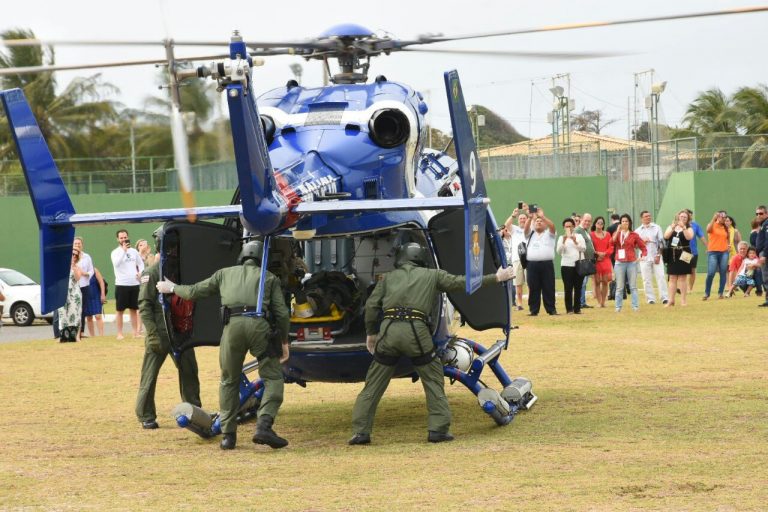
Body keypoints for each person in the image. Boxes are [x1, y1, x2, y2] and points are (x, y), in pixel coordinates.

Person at [348, 242, 515, 445]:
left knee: (373, 384)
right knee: (433, 379)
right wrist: (496, 277)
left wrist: (372, 334)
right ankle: (438, 430)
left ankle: (360, 432)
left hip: (389, 332)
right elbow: (462, 282)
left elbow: (372, 306)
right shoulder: (433, 275)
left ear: (400, 258)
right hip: (416, 333)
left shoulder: (387, 278)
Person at [157, 240, 290, 450]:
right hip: (259, 327)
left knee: (229, 381)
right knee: (272, 378)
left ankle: (228, 436)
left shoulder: (224, 273)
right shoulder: (269, 277)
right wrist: (283, 340)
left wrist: (171, 287)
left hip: (232, 328)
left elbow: (193, 292)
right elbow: (282, 313)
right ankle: (264, 425)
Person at [136, 232, 202, 430]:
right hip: (160, 332)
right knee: (149, 375)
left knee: (190, 372)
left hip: (181, 332)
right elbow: (145, 305)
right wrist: (153, 334)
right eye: (172, 247)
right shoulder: (152, 272)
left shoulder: (183, 270)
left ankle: (193, 411)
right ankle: (146, 414)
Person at [523, 207, 558, 316]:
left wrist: (543, 216)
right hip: (532, 265)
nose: (539, 222)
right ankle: (533, 310)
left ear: (545, 224)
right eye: (537, 221)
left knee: (549, 287)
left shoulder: (550, 234)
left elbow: (552, 226)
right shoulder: (530, 234)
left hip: (547, 264)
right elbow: (525, 230)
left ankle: (551, 309)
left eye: (541, 221)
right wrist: (529, 218)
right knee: (533, 287)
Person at [111, 229, 144, 339]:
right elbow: (116, 263)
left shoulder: (134, 251)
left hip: (134, 284)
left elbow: (140, 263)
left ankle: (136, 333)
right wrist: (124, 251)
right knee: (120, 310)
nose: (124, 239)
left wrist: (140, 272)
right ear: (117, 239)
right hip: (121, 284)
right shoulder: (115, 252)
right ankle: (119, 334)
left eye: (125, 237)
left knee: (134, 309)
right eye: (121, 238)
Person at [612, 214, 646, 312]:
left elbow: (643, 246)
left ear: (629, 223)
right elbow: (611, 242)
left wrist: (642, 256)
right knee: (619, 286)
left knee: (633, 286)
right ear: (620, 223)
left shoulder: (634, 235)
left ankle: (635, 307)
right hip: (619, 262)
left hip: (631, 262)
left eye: (627, 221)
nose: (625, 223)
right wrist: (618, 231)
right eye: (623, 221)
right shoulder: (617, 233)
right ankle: (618, 307)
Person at [635, 210, 668, 305]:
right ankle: (650, 299)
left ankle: (664, 297)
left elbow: (661, 242)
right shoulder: (637, 231)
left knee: (661, 276)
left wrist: (658, 255)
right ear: (641, 218)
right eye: (646, 216)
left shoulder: (657, 228)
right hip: (644, 258)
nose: (648, 218)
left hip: (656, 256)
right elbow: (635, 246)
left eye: (649, 216)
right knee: (646, 279)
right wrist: (642, 242)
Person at [663, 210, 694, 306]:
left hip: (685, 253)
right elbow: (666, 236)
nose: (683, 218)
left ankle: (683, 300)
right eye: (681, 216)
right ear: (678, 217)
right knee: (672, 277)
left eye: (685, 217)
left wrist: (684, 228)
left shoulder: (689, 228)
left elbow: (689, 238)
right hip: (673, 253)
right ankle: (671, 300)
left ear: (688, 219)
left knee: (683, 277)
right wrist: (672, 228)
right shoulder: (671, 226)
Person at [556, 218, 586, 314]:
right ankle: (569, 309)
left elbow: (583, 249)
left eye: (570, 226)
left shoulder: (579, 236)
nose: (569, 228)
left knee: (578, 287)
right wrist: (564, 242)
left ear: (574, 226)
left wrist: (575, 241)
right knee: (568, 288)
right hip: (566, 265)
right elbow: (559, 251)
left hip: (578, 264)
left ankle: (577, 308)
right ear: (564, 228)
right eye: (566, 226)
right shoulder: (561, 238)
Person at [504, 209, 529, 311]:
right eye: (521, 218)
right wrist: (513, 215)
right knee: (518, 283)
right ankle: (519, 303)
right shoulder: (514, 229)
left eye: (524, 218)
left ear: (527, 220)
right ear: (518, 220)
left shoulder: (530, 229)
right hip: (517, 259)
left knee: (530, 282)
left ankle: (531, 302)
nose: (522, 220)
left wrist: (529, 210)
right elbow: (506, 224)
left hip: (529, 258)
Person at [59, 249, 84, 342]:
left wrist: (74, 268)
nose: (74, 256)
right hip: (63, 293)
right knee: (63, 314)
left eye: (76, 255)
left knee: (76, 314)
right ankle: (62, 336)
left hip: (74, 293)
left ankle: (77, 336)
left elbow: (77, 278)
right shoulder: (61, 267)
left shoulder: (77, 267)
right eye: (72, 254)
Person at [703, 211, 730, 300]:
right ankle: (707, 293)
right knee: (711, 273)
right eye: (722, 217)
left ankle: (720, 293)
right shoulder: (712, 225)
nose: (724, 219)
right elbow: (708, 230)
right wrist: (713, 218)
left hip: (724, 252)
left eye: (725, 217)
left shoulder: (726, 227)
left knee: (723, 272)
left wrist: (728, 245)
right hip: (713, 252)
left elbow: (727, 238)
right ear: (717, 217)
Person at [590, 216, 614, 308]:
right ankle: (599, 302)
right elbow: (590, 247)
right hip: (596, 260)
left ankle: (603, 302)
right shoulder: (591, 234)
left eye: (602, 223)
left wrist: (604, 253)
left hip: (606, 260)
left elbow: (611, 247)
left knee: (605, 281)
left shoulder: (608, 234)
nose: (600, 224)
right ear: (595, 224)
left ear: (603, 225)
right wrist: (597, 254)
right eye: (598, 222)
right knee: (596, 282)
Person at [73, 237, 93, 337]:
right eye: (75, 243)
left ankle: (81, 332)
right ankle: (73, 331)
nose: (77, 245)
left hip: (84, 286)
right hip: (73, 287)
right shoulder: (70, 256)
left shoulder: (87, 257)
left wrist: (85, 273)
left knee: (82, 309)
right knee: (73, 308)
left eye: (79, 243)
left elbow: (91, 271)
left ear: (82, 245)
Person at [574, 213, 594, 308]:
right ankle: (580, 302)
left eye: (589, 221)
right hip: (581, 260)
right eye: (585, 220)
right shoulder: (578, 230)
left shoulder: (585, 231)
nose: (587, 222)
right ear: (581, 219)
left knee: (584, 282)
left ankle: (582, 301)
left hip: (587, 260)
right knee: (581, 283)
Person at [685, 209, 707, 293]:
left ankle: (690, 288)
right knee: (683, 270)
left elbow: (701, 237)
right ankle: (683, 287)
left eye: (690, 214)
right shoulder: (681, 225)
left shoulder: (695, 225)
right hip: (684, 251)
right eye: (687, 214)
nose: (689, 216)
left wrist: (708, 247)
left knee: (692, 270)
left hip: (693, 251)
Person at [83, 267, 107, 337]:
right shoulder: (80, 270)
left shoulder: (94, 270)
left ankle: (101, 335)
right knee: (89, 316)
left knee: (98, 315)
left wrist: (102, 294)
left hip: (96, 295)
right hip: (86, 295)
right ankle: (92, 336)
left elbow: (101, 282)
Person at [755, 205, 768, 307]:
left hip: (765, 254)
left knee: (766, 277)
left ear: (766, 214)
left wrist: (764, 254)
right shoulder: (763, 224)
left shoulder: (767, 224)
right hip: (763, 253)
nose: (758, 215)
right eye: (757, 213)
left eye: (761, 213)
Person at [724, 216, 742, 291]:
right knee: (726, 270)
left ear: (731, 222)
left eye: (728, 221)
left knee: (733, 269)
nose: (726, 222)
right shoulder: (722, 231)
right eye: (725, 221)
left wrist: (740, 252)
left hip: (734, 253)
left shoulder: (735, 231)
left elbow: (740, 242)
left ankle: (734, 285)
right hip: (724, 252)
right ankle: (728, 286)